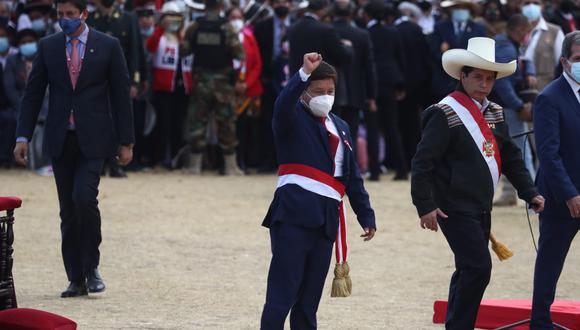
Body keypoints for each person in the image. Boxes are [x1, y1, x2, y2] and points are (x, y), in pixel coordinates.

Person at [411, 37, 545, 329]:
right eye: (478, 77)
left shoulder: (496, 112)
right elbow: (422, 163)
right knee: (478, 268)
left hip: (481, 205)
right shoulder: (443, 112)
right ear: (463, 76)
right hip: (451, 206)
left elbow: (510, 158)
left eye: (489, 79)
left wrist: (530, 191)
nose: (484, 84)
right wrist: (425, 205)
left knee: (467, 269)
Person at [14, 0, 134, 297]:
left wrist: (126, 141)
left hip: (94, 138)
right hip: (60, 138)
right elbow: (33, 94)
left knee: (84, 199)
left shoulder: (108, 45)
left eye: (70, 14)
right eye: (60, 15)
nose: (64, 20)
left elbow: (121, 95)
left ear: (84, 14)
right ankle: (75, 277)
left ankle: (91, 267)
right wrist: (22, 137)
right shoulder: (49, 45)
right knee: (67, 210)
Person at [261, 53, 376, 329]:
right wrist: (302, 73)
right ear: (304, 93)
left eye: (330, 91)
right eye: (317, 91)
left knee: (308, 302)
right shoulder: (290, 118)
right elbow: (283, 103)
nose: (325, 97)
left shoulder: (342, 127)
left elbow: (352, 178)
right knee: (281, 296)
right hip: (293, 217)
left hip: (326, 222)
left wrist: (366, 215)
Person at [531, 31, 580, 329]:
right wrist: (570, 194)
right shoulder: (549, 98)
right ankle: (540, 321)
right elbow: (548, 155)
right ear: (564, 61)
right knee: (550, 262)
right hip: (560, 198)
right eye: (578, 59)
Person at [181, 0, 245, 175]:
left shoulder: (194, 27)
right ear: (221, 7)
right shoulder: (227, 28)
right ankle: (231, 166)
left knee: (197, 122)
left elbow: (184, 51)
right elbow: (239, 53)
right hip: (222, 84)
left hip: (201, 82)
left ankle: (194, 166)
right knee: (226, 123)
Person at [87, 0, 142, 177]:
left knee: (119, 119)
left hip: (120, 78)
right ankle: (100, 162)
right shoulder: (90, 19)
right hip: (95, 79)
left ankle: (116, 162)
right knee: (97, 121)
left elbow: (135, 50)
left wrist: (135, 81)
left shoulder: (128, 18)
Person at [493, 14, 537, 206]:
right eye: (525, 31)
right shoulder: (505, 46)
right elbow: (503, 81)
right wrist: (518, 106)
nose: (526, 35)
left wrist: (529, 72)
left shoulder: (508, 44)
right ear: (518, 30)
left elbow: (525, 61)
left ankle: (511, 193)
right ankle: (533, 197)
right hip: (508, 107)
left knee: (511, 151)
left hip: (505, 106)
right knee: (521, 151)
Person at [361, 0, 407, 181]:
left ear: (367, 15)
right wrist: (401, 85)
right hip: (390, 84)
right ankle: (402, 169)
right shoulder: (393, 32)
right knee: (392, 128)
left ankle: (374, 171)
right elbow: (400, 59)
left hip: (370, 85)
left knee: (372, 128)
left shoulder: (365, 33)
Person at [146, 1, 191, 169]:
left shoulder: (184, 36)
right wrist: (160, 28)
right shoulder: (159, 35)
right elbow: (150, 47)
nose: (173, 21)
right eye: (169, 17)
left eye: (176, 18)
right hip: (163, 88)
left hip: (182, 87)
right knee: (162, 124)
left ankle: (174, 159)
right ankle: (156, 159)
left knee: (178, 125)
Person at [332, 0, 377, 157]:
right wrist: (371, 96)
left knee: (332, 134)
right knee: (351, 133)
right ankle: (352, 170)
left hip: (330, 92)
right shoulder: (362, 35)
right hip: (356, 92)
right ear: (352, 14)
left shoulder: (327, 32)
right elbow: (369, 68)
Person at [253, 0, 291, 172]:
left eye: (285, 1)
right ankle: (267, 161)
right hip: (268, 82)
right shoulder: (261, 26)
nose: (281, 4)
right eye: (278, 1)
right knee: (268, 122)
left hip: (293, 83)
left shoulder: (297, 27)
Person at [396, 1, 432, 169]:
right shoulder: (418, 31)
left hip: (399, 85)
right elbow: (427, 59)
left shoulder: (395, 31)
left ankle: (400, 160)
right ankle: (415, 157)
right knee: (416, 123)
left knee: (400, 123)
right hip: (419, 83)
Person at [227, 6, 263, 170]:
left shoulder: (249, 38)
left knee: (247, 128)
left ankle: (246, 160)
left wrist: (246, 83)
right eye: (232, 17)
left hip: (248, 88)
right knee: (229, 127)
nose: (236, 20)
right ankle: (228, 161)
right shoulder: (224, 36)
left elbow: (257, 64)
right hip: (228, 88)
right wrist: (232, 82)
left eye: (238, 17)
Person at [430, 0, 486, 102]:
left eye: (464, 8)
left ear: (469, 10)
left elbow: (482, 55)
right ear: (451, 10)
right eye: (457, 7)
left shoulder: (478, 29)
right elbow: (434, 52)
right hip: (444, 82)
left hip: (469, 83)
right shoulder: (440, 27)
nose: (460, 10)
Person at [286, 0, 352, 75]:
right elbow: (342, 56)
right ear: (322, 10)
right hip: (318, 80)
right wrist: (348, 46)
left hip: (298, 79)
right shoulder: (326, 30)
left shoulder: (292, 28)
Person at [521, 0, 565, 91]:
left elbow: (563, 64)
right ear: (520, 6)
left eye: (536, 3)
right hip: (518, 91)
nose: (531, 6)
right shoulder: (513, 30)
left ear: (543, 6)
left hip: (546, 90)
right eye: (527, 3)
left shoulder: (555, 32)